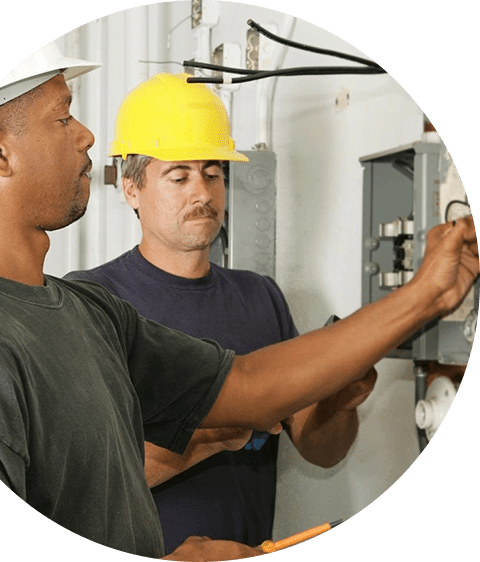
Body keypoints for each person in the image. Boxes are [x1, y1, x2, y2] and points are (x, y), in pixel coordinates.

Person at [0, 45, 478, 561]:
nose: (87, 136)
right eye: (64, 116)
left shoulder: (87, 312)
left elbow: (252, 387)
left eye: (212, 173)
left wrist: (427, 293)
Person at [65, 72, 377, 553]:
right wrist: (225, 425)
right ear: (131, 188)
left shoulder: (261, 298)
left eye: (213, 173)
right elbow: (86, 478)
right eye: (179, 175)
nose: (203, 193)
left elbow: (321, 450)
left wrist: (341, 397)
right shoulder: (92, 300)